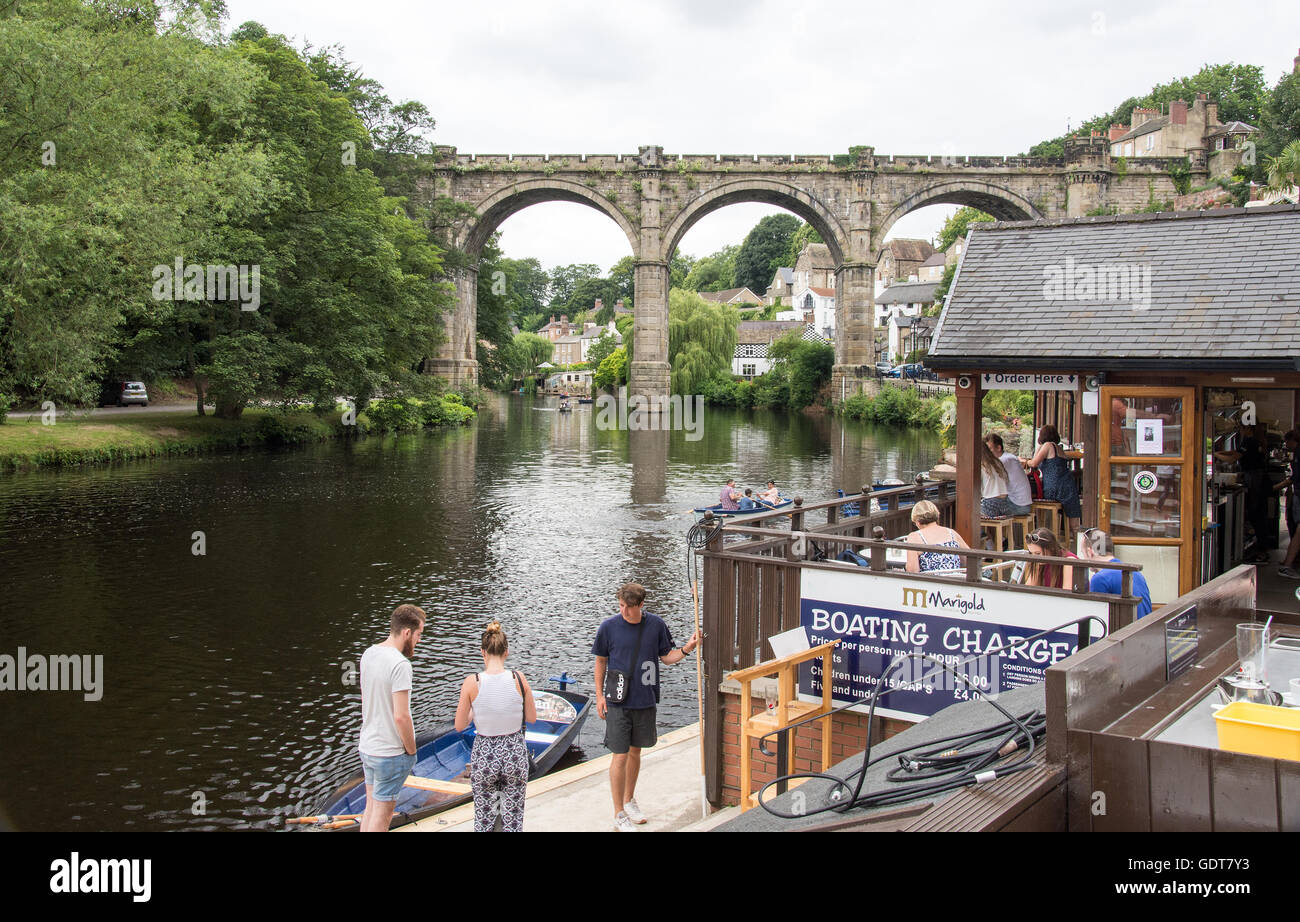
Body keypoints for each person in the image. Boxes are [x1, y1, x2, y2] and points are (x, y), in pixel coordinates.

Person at [592, 583, 699, 832]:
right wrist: (599, 696)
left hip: (645, 699)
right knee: (619, 754)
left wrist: (686, 649)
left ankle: (629, 800)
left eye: (629, 608)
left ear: (641, 605)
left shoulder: (656, 625)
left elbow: (667, 657)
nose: (624, 612)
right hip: (618, 700)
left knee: (635, 752)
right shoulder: (608, 627)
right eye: (621, 606)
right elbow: (600, 662)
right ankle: (618, 812)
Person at [454, 622, 537, 832]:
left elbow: (459, 725)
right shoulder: (519, 678)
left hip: (485, 754)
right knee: (513, 818)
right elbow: (532, 718)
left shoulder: (472, 682)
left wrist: (476, 710)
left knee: (483, 817)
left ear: (483, 652)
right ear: (506, 652)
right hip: (514, 753)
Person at [358, 604, 426, 832]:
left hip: (368, 747)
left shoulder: (369, 653)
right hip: (390, 753)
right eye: (418, 635)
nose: (418, 641)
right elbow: (401, 716)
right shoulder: (400, 665)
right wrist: (411, 751)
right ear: (407, 632)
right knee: (382, 816)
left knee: (370, 809)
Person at [1078, 528, 1153, 617]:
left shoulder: (1100, 578)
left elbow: (1096, 619)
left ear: (1090, 552)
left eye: (1083, 554)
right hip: (1145, 629)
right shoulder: (1135, 573)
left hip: (1126, 630)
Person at [1025, 424, 1082, 536]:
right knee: (1074, 523)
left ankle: (1045, 535)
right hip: (1068, 486)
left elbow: (1034, 463)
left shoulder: (1047, 445)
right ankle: (1077, 542)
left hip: (1053, 487)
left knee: (1035, 503)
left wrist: (1024, 461)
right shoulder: (1059, 448)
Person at [903, 500, 969, 573]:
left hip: (931, 583)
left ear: (917, 522)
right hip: (954, 581)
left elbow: (912, 571)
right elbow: (968, 559)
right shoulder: (951, 533)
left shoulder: (915, 537)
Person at [986, 433, 1032, 516]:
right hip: (1020, 504)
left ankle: (981, 529)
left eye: (990, 449)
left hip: (1018, 506)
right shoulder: (1008, 458)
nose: (988, 453)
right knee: (987, 503)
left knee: (984, 505)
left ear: (999, 448)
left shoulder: (1006, 460)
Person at [1274, 429, 1300, 542]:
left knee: (1295, 523)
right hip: (1297, 491)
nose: (1286, 445)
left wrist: (1277, 487)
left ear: (1292, 440)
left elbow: (1296, 477)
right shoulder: (1296, 453)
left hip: (1299, 492)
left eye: (1286, 442)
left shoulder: (1299, 453)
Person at [979, 441, 1012, 519]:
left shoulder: (980, 465)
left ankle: (981, 531)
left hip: (990, 505)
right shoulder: (997, 462)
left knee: (970, 513)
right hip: (1005, 504)